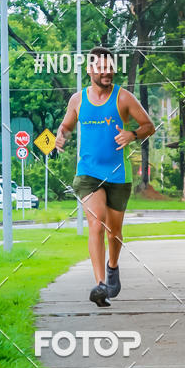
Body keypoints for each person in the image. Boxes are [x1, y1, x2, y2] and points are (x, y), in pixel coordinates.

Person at [55, 47, 155, 307]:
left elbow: (149, 126)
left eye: (110, 67)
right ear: (90, 70)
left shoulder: (124, 98)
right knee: (96, 224)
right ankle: (101, 285)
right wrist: (61, 136)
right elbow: (66, 126)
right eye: (101, 68)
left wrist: (132, 135)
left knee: (114, 233)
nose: (107, 72)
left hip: (118, 174)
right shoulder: (77, 100)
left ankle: (112, 267)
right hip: (88, 173)